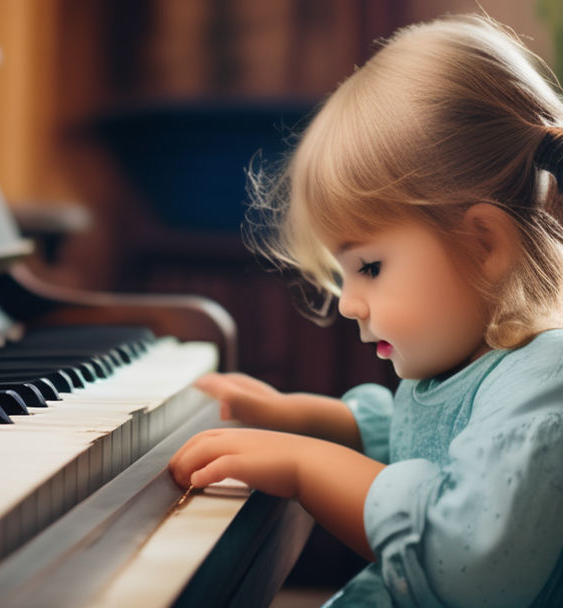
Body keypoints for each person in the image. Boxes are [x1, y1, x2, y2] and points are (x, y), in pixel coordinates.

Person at [168, 14, 563, 607]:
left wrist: (306, 466)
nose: (348, 302)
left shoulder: (542, 383)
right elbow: (415, 439)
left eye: (370, 267)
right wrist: (295, 416)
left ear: (485, 245)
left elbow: (463, 566)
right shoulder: (471, 364)